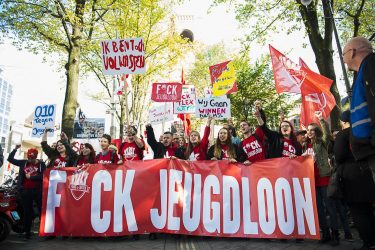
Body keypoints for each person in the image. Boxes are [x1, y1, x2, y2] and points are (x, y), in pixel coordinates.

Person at [334, 110, 375, 250]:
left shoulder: (343, 134)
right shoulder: (364, 131)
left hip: (351, 176)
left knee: (357, 211)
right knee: (368, 210)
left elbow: (338, 156)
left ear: (344, 122)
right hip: (367, 172)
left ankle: (368, 243)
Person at [343, 37, 375, 182]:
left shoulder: (371, 64)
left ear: (352, 52)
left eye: (343, 55)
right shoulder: (362, 72)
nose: (343, 60)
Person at [303, 111, 338, 245]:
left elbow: (327, 135)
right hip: (312, 181)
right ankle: (326, 234)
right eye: (308, 130)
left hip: (324, 179)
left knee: (330, 207)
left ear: (316, 131)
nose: (310, 132)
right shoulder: (306, 145)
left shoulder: (322, 142)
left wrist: (321, 120)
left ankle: (335, 235)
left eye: (312, 130)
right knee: (319, 209)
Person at [7, 145, 46, 239]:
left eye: (32, 158)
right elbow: (10, 159)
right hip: (25, 191)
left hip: (37, 191)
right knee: (27, 212)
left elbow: (43, 176)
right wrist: (15, 149)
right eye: (29, 157)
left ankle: (44, 232)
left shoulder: (41, 165)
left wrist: (31, 177)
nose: (30, 159)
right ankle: (27, 232)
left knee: (42, 211)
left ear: (36, 157)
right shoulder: (23, 163)